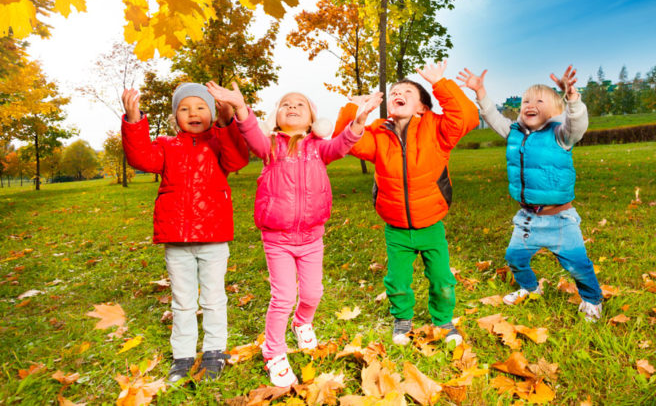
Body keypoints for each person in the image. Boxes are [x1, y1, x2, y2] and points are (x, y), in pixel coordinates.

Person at [207, 81, 382, 387]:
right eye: (286, 103)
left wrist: (360, 119)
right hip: (278, 239)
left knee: (314, 293)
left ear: (312, 119)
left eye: (299, 104)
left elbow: (342, 144)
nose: (292, 107)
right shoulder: (270, 147)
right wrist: (239, 107)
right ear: (276, 117)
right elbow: (250, 133)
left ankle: (302, 322)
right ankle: (273, 352)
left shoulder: (319, 148)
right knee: (284, 296)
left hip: (312, 238)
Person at [333, 61, 479, 346]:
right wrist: (356, 110)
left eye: (407, 91)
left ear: (422, 107)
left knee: (442, 280)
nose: (398, 92)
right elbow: (346, 142)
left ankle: (443, 320)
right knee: (397, 281)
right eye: (394, 91)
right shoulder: (377, 133)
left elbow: (467, 118)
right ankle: (402, 319)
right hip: (396, 228)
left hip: (431, 224)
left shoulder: (437, 129)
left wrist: (440, 84)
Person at [121, 83, 249, 383]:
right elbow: (141, 158)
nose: (193, 113)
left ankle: (215, 350)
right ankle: (183, 355)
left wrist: (228, 119)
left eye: (201, 107)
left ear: (212, 112)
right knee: (182, 301)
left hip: (214, 238)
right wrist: (133, 119)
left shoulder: (219, 142)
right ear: (175, 116)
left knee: (214, 298)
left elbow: (238, 159)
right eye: (185, 108)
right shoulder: (166, 146)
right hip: (177, 241)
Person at [457, 66, 603, 321]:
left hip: (560, 219)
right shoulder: (515, 133)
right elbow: (492, 116)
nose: (529, 104)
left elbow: (578, 123)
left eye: (538, 100)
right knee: (514, 257)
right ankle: (530, 288)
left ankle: (592, 300)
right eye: (525, 101)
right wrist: (480, 92)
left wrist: (572, 98)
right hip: (527, 218)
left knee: (578, 265)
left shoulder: (561, 134)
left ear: (557, 111)